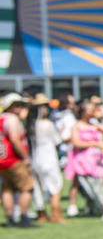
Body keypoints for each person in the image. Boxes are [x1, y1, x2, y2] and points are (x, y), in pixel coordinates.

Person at [64, 102, 103, 219]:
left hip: (96, 159)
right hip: (82, 159)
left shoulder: (95, 125)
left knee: (99, 184)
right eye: (89, 109)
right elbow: (76, 143)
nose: (92, 111)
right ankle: (75, 206)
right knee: (81, 184)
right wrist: (94, 143)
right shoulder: (77, 125)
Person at [0, 93, 38, 227]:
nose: (21, 108)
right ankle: (23, 216)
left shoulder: (2, 118)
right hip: (14, 159)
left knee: (7, 189)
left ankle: (10, 218)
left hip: (3, 160)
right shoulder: (12, 119)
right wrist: (25, 157)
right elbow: (15, 140)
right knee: (26, 188)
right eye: (18, 105)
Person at [28, 94, 65, 223]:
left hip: (35, 159)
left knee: (37, 187)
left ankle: (41, 214)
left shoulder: (30, 125)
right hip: (48, 157)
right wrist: (61, 132)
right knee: (55, 185)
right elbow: (57, 140)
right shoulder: (46, 124)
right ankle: (56, 214)